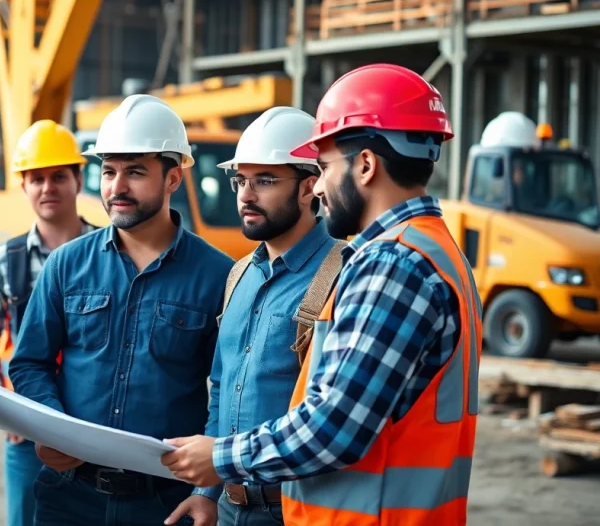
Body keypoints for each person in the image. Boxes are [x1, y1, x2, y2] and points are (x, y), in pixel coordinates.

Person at [160, 63, 483, 526]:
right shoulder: (435, 250)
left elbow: (334, 427)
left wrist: (222, 457)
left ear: (366, 166)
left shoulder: (392, 264)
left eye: (325, 167)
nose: (322, 186)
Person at [8, 94, 234, 526]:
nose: (116, 188)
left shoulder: (219, 275)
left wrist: (208, 490)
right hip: (69, 498)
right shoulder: (66, 264)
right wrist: (51, 428)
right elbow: (30, 363)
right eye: (109, 171)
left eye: (135, 172)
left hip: (165, 503)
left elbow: (227, 391)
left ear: (172, 178)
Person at [167, 107, 345, 526]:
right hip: (229, 507)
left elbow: (334, 417)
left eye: (264, 181)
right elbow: (221, 388)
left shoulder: (344, 275)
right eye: (241, 180)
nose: (246, 195)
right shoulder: (238, 276)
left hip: (298, 511)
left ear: (310, 186)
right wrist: (206, 493)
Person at [0, 119, 97, 526]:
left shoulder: (108, 256)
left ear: (78, 178)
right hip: (27, 435)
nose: (47, 187)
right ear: (23, 186)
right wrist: (10, 413)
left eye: (59, 176)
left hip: (92, 429)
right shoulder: (6, 262)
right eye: (36, 179)